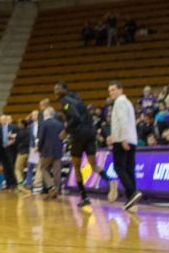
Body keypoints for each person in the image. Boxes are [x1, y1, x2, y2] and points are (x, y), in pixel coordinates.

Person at [53, 81, 110, 208]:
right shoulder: (78, 99)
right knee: (93, 164)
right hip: (90, 133)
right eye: (54, 89)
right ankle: (111, 183)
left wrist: (65, 131)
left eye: (58, 88)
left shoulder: (65, 101)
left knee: (76, 166)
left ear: (65, 89)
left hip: (78, 135)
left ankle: (84, 196)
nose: (55, 91)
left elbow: (75, 118)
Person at [107, 81, 142, 210]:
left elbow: (122, 121)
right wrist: (114, 135)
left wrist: (122, 138)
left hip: (123, 140)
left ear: (121, 90)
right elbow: (126, 122)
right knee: (129, 169)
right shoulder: (127, 102)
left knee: (118, 167)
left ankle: (132, 192)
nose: (111, 92)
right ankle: (131, 199)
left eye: (114, 90)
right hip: (131, 139)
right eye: (110, 90)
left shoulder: (120, 102)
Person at [36, 108, 64, 199]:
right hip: (58, 150)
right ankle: (57, 189)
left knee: (43, 168)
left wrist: (39, 148)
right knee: (57, 171)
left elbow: (41, 138)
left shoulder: (44, 124)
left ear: (46, 114)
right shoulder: (60, 124)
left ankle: (51, 187)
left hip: (47, 150)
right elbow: (63, 137)